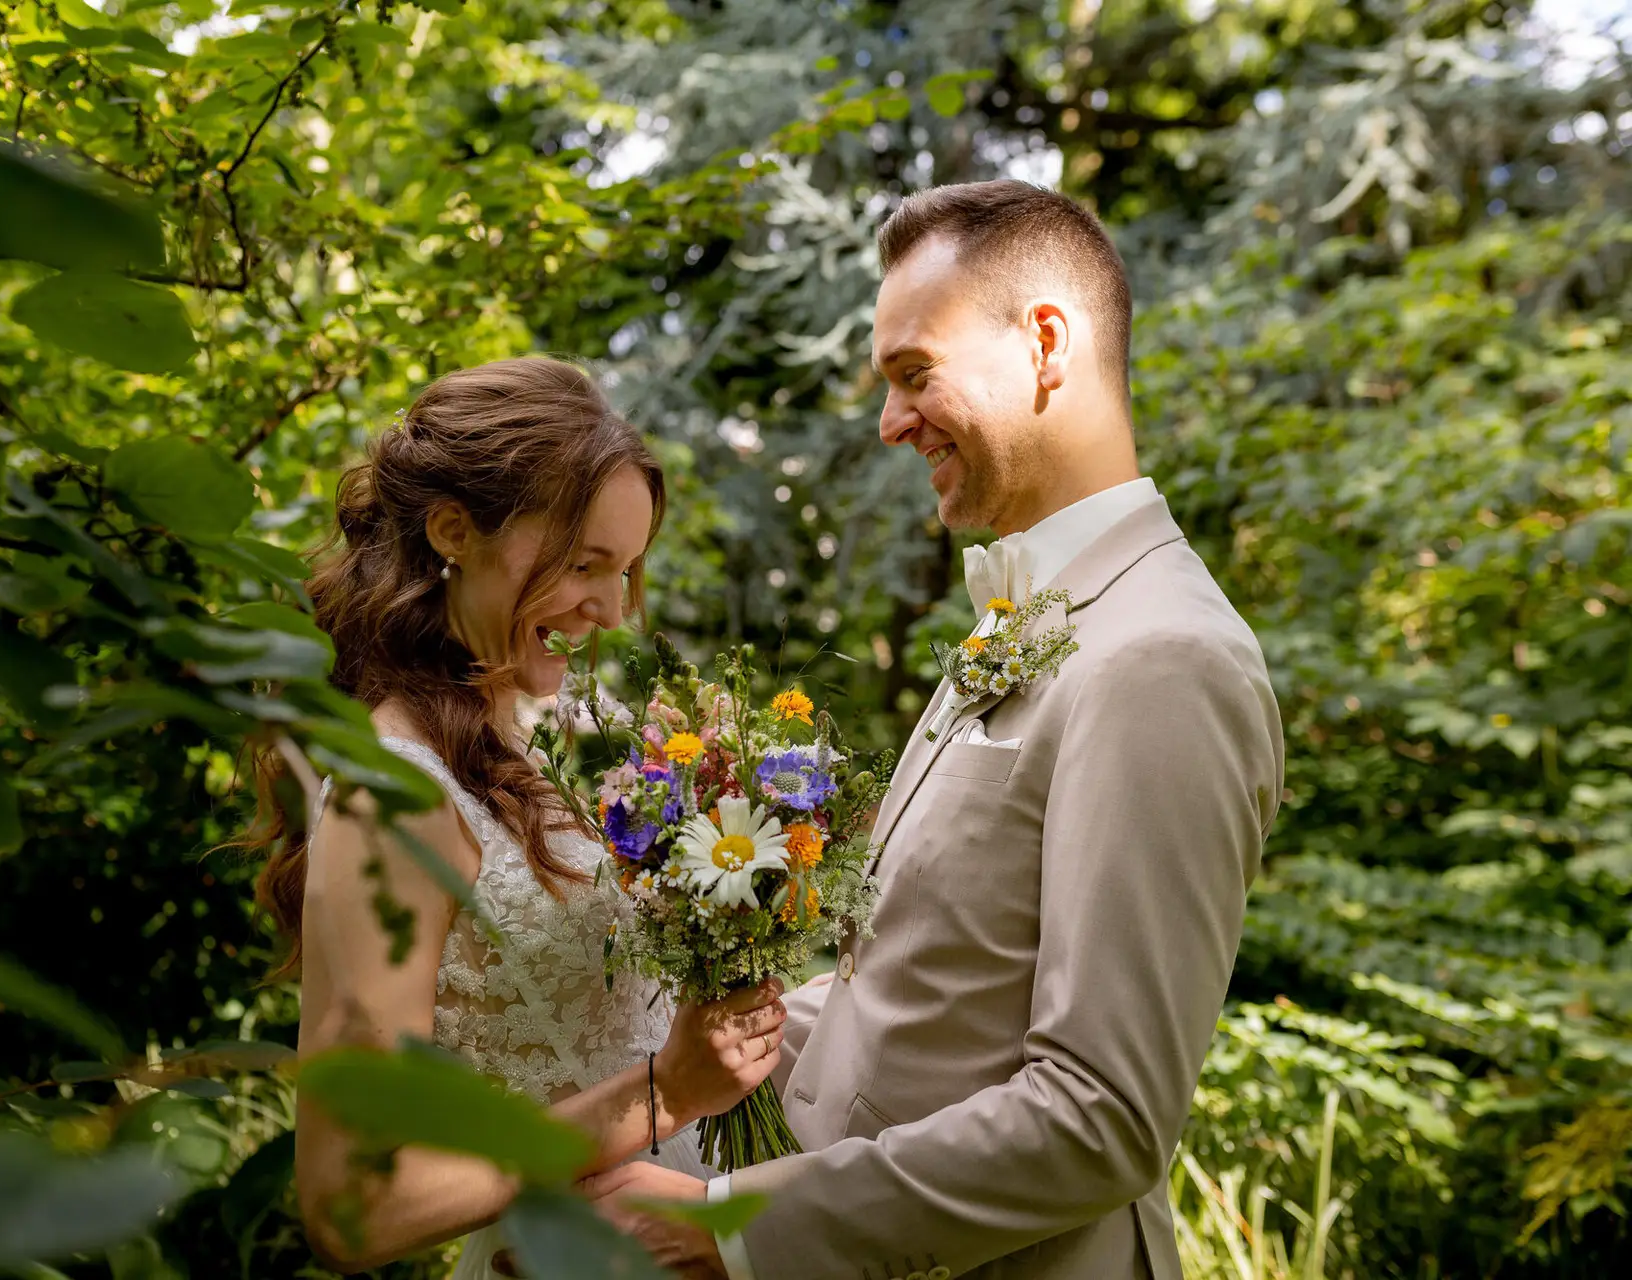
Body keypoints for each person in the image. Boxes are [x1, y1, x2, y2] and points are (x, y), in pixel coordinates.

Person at [585, 181, 1285, 1280]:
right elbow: (914, 987)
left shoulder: (1162, 658)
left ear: (1048, 342)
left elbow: (1100, 1116)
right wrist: (652, 1073)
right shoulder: (1029, 616)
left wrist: (734, 1224)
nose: (889, 421)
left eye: (916, 374)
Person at [250, 357, 788, 1277]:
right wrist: (663, 1094)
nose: (614, 611)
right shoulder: (391, 799)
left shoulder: (545, 735)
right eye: (585, 566)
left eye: (626, 571)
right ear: (454, 531)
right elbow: (355, 1210)